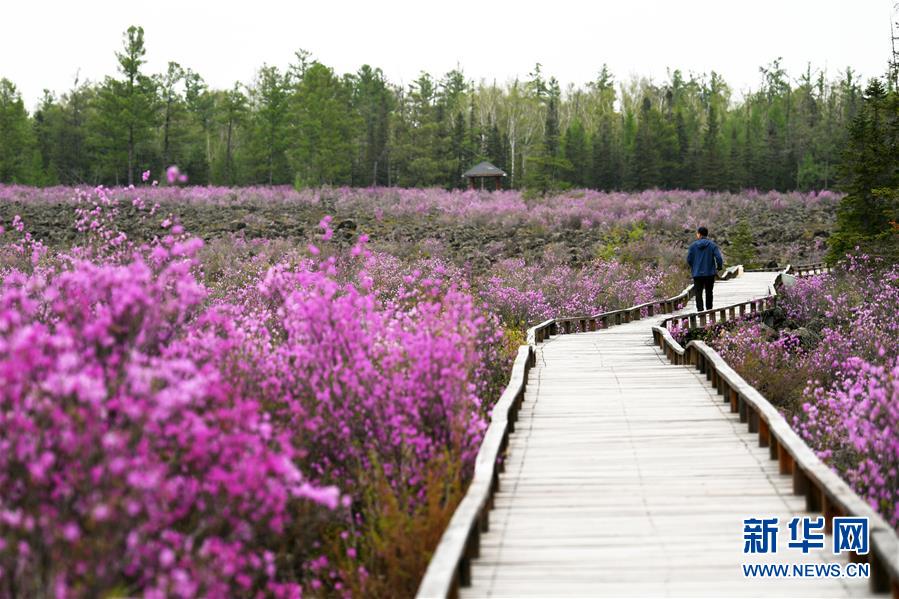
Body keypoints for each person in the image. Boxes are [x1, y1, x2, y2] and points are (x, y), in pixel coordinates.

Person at [686, 226, 723, 312]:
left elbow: (689, 260)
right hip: (709, 273)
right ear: (706, 234)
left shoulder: (693, 246)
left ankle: (700, 311)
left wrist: (694, 267)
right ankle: (709, 311)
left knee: (698, 293)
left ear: (699, 234)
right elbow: (719, 258)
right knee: (709, 292)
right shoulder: (712, 245)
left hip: (697, 274)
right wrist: (719, 267)